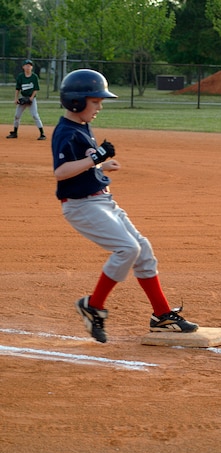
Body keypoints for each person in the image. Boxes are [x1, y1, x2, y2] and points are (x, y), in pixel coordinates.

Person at [51, 68, 199, 343]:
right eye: (95, 101)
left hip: (101, 200)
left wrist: (101, 165)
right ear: (76, 101)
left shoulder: (82, 126)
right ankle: (93, 306)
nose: (99, 107)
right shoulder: (66, 131)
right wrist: (96, 158)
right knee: (127, 248)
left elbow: (83, 165)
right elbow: (61, 171)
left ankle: (162, 315)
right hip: (82, 206)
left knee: (143, 250)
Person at [6, 59, 46, 140]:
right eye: (26, 65)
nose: (28, 67)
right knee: (17, 116)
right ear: (23, 67)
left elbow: (36, 89)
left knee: (35, 115)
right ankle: (14, 132)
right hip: (23, 98)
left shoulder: (34, 77)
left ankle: (42, 134)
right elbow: (17, 89)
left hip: (32, 99)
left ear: (32, 67)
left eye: (30, 65)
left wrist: (31, 98)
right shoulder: (21, 76)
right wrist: (16, 98)